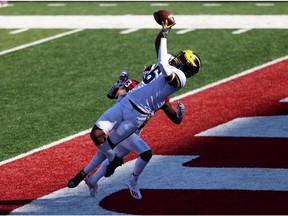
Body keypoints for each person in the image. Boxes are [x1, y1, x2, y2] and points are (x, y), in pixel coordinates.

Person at [90, 18, 202, 178]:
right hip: (126, 108)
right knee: (98, 138)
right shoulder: (151, 74)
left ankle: (93, 175)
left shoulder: (178, 79)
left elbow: (163, 65)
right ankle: (101, 168)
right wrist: (162, 29)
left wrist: (165, 32)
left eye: (182, 60)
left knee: (114, 146)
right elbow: (159, 50)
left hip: (136, 120)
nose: (177, 59)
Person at [68, 69, 185, 200]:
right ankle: (132, 181)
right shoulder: (136, 86)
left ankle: (92, 180)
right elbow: (112, 94)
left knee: (110, 158)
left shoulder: (162, 98)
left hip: (133, 132)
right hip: (124, 129)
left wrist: (179, 114)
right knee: (145, 153)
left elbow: (176, 119)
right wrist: (118, 84)